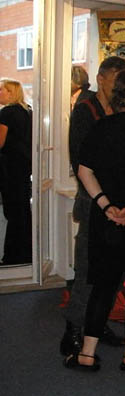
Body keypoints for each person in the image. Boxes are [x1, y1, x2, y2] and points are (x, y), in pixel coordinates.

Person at [63, 68, 125, 372]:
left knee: (103, 285)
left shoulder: (100, 128)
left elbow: (84, 171)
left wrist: (107, 206)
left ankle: (87, 353)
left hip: (106, 220)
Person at [60, 56, 125, 357]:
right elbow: (81, 160)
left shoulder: (119, 110)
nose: (119, 86)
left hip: (117, 201)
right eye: (116, 79)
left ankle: (97, 323)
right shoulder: (85, 111)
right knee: (88, 270)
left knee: (114, 271)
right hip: (93, 202)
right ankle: (74, 330)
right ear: (101, 79)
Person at [0, 78, 32, 265]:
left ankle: (12, 257)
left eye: (1, 90)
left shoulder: (6, 113)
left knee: (13, 212)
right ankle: (25, 253)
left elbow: (0, 142)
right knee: (22, 211)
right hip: (24, 166)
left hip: (9, 168)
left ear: (11, 92)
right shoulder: (27, 111)